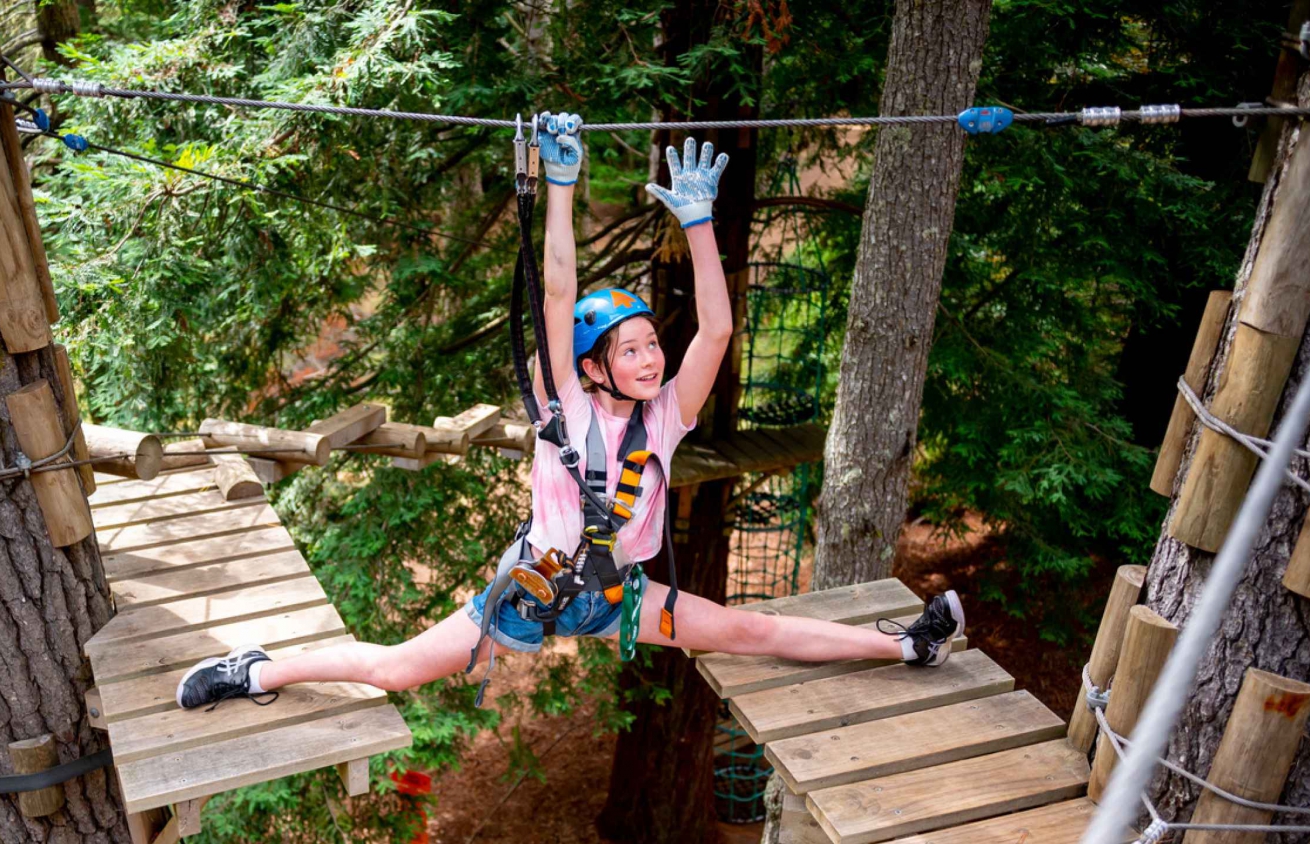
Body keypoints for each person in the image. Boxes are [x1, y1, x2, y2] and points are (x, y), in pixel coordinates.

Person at [176, 116, 963, 711]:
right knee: (395, 669)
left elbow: (717, 330)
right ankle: (255, 670)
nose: (652, 359)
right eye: (631, 351)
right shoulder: (564, 413)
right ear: (593, 368)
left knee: (749, 629)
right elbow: (556, 292)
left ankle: (907, 647)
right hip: (531, 589)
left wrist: (698, 226)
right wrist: (560, 188)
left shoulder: (667, 417)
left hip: (615, 597)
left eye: (653, 343)